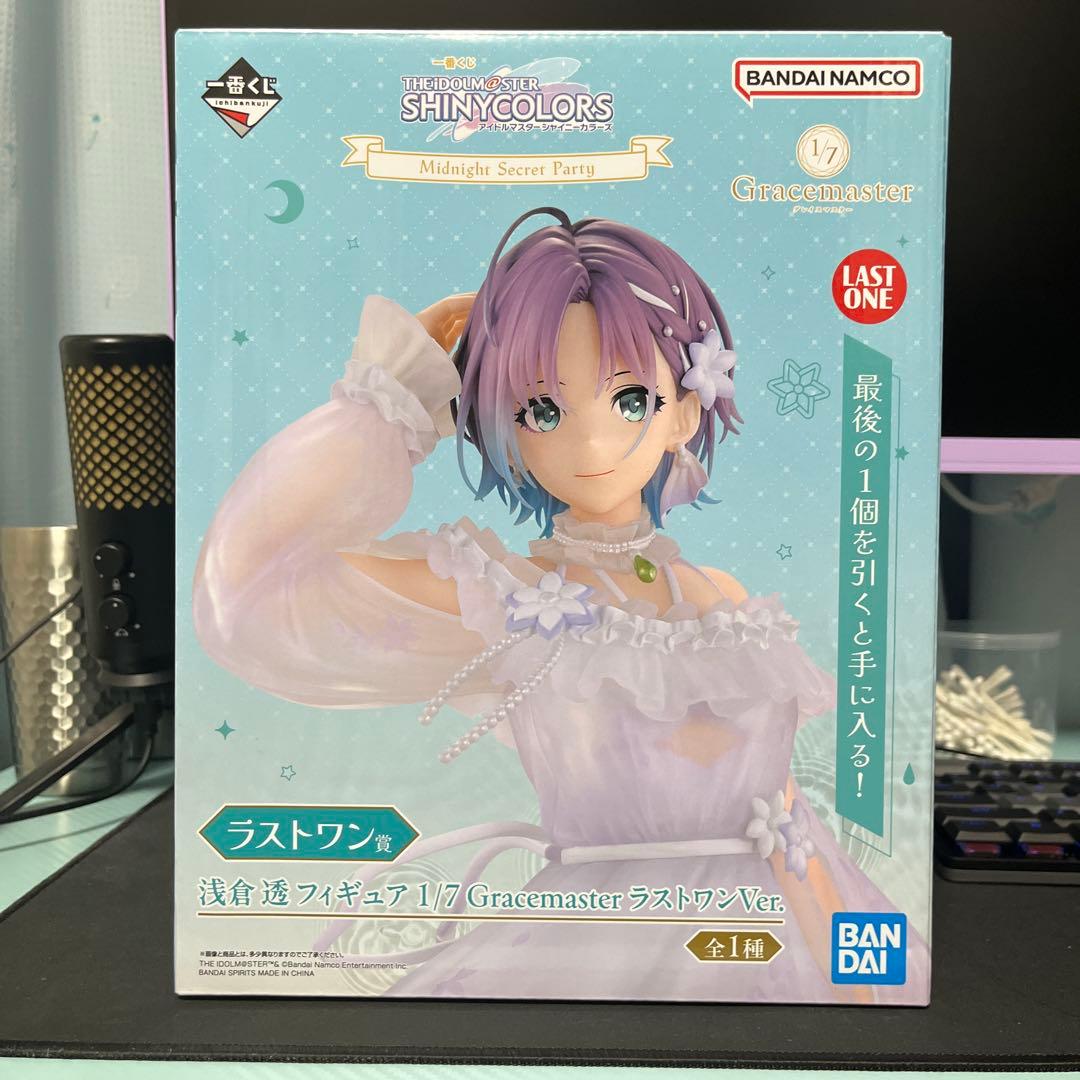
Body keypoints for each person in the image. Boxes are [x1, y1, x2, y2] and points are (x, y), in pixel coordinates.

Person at [193, 207, 927, 1003]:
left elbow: (788, 825)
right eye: (542, 410)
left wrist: (856, 982)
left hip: (766, 946)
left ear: (685, 410)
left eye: (631, 400)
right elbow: (251, 586)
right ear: (505, 427)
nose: (590, 444)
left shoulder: (731, 605)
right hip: (592, 952)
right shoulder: (503, 599)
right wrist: (392, 395)